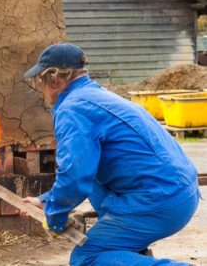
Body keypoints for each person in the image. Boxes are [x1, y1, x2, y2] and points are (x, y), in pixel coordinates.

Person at [21, 42, 200, 266]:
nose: (40, 87)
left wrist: (55, 216)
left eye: (40, 80)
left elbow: (75, 176)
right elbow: (85, 169)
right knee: (95, 178)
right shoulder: (94, 96)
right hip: (178, 190)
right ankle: (131, 252)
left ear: (54, 77)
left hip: (161, 199)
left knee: (88, 257)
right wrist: (46, 200)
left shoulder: (73, 109)